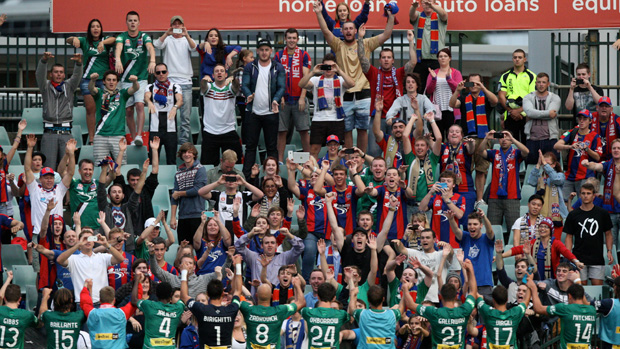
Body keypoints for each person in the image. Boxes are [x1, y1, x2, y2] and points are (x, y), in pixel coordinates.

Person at [314, 0, 395, 153]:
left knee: (363, 129)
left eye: (352, 28)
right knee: (347, 130)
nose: (349, 31)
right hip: (345, 95)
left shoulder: (366, 43)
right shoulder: (338, 45)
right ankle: (350, 158)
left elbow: (386, 34)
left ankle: (361, 159)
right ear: (342, 31)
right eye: (346, 29)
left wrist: (390, 17)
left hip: (364, 94)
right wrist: (319, 13)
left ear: (356, 30)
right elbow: (325, 31)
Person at [360, 28, 416, 156]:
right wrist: (360, 39)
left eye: (389, 57)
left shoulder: (399, 73)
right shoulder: (374, 73)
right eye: (383, 57)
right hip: (377, 118)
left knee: (397, 152)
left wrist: (411, 41)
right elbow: (362, 60)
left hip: (396, 118)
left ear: (393, 60)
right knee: (374, 152)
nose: (386, 60)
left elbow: (413, 62)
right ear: (380, 60)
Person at [449, 74, 498, 206]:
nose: (474, 86)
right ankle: (467, 195)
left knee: (481, 170)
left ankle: (479, 199)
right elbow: (452, 104)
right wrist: (458, 90)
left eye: (477, 83)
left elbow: (495, 101)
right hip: (467, 138)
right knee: (466, 168)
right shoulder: (465, 99)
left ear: (481, 84)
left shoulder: (486, 98)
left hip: (483, 137)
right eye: (471, 83)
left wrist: (484, 88)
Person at [406, 260, 477, 349]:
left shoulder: (434, 312)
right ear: (456, 296)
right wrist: (470, 270)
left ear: (441, 297)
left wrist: (405, 288)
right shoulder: (464, 310)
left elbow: (410, 304)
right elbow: (473, 292)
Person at [66, 19, 116, 143]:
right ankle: (92, 138)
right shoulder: (85, 41)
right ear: (89, 29)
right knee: (90, 108)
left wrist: (103, 43)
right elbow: (68, 40)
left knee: (105, 108)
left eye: (98, 26)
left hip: (104, 81)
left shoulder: (106, 40)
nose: (95, 29)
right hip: (87, 79)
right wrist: (74, 39)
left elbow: (115, 39)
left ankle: (104, 135)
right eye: (93, 26)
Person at [241, 38, 285, 178]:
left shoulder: (278, 67)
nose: (264, 52)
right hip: (253, 112)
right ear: (257, 51)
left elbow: (281, 87)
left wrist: (276, 100)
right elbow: (245, 85)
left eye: (267, 50)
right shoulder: (250, 67)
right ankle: (247, 177)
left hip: (271, 112)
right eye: (262, 50)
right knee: (250, 146)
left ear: (271, 51)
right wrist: (248, 95)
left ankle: (272, 177)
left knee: (271, 147)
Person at [298, 54, 355, 158]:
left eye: (332, 66)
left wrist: (339, 70)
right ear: (322, 67)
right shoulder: (316, 79)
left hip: (336, 120)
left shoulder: (341, 80)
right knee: (314, 149)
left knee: (337, 150)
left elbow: (352, 84)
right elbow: (301, 84)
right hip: (319, 119)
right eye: (326, 66)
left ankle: (337, 172)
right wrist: (312, 72)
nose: (329, 69)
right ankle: (314, 172)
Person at [181, 254, 242, 349]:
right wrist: (238, 266)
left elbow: (184, 296)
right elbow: (238, 291)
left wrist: (184, 272)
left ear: (207, 294)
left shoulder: (201, 309)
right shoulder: (231, 310)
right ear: (223, 293)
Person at [114, 10, 156, 146]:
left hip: (141, 78)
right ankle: (132, 138)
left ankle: (139, 135)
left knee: (139, 104)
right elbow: (119, 47)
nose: (132, 23)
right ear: (126, 22)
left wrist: (152, 61)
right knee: (128, 110)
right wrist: (118, 60)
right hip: (125, 80)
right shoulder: (122, 36)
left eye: (135, 20)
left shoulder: (144, 36)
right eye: (130, 20)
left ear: (139, 22)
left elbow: (150, 47)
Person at [153, 15, 196, 145]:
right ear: (171, 25)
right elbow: (157, 45)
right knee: (168, 115)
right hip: (170, 82)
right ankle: (169, 141)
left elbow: (194, 48)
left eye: (179, 24)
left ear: (183, 25)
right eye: (174, 24)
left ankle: (183, 143)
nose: (177, 26)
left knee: (185, 117)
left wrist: (186, 35)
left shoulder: (186, 39)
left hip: (186, 82)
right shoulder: (168, 39)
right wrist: (167, 33)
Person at [36, 51, 82, 168]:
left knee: (66, 168)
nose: (58, 74)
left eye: (61, 72)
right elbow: (39, 75)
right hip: (49, 133)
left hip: (66, 133)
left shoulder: (69, 86)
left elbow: (77, 76)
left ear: (64, 75)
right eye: (56, 72)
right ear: (51, 74)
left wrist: (78, 64)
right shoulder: (45, 86)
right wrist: (44, 60)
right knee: (48, 167)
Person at [480, 130, 529, 241]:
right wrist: (486, 138)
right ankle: (492, 252)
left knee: (514, 229)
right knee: (491, 228)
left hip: (512, 196)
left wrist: (513, 139)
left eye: (507, 138)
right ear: (498, 140)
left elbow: (526, 151)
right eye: (502, 137)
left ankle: (514, 252)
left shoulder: (516, 153)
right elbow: (480, 152)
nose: (504, 140)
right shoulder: (494, 153)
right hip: (494, 197)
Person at [564, 182, 614, 285]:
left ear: (593, 195)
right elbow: (569, 236)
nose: (585, 196)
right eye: (583, 193)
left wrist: (609, 250)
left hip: (597, 257)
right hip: (578, 257)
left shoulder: (602, 213)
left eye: (588, 193)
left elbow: (608, 233)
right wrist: (569, 255)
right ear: (580, 195)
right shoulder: (573, 214)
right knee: (580, 289)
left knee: (597, 288)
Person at [56, 228, 125, 304]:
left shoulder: (102, 257)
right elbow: (59, 260)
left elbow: (121, 259)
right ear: (80, 241)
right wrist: (78, 244)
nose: (88, 241)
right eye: (85, 239)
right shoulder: (73, 259)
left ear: (94, 242)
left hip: (102, 301)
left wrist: (106, 244)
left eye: (90, 238)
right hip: (82, 302)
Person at [24, 135, 75, 236]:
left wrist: (71, 154)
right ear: (40, 179)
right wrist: (30, 148)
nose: (49, 180)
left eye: (51, 177)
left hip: (57, 234)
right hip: (38, 234)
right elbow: (27, 169)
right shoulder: (34, 189)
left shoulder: (59, 189)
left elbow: (70, 173)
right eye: (46, 178)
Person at [274, 28, 312, 160]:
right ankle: (280, 162)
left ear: (297, 39)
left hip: (298, 99)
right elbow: (276, 78)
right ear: (285, 38)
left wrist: (302, 97)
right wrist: (280, 96)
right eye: (289, 38)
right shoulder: (278, 56)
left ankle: (307, 161)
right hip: (283, 100)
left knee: (303, 131)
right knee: (282, 132)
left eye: (294, 38)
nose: (291, 40)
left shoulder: (304, 55)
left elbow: (306, 78)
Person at [505, 217, 583, 280]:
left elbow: (566, 252)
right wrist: (500, 255)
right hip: (534, 276)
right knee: (525, 283)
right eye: (541, 226)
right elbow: (516, 249)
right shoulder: (533, 242)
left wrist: (576, 262)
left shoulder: (556, 243)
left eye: (546, 227)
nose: (543, 229)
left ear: (550, 230)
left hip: (551, 278)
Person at [527, 280, 597, 349]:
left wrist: (533, 288)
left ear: (569, 296)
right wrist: (577, 281)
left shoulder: (565, 308)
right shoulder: (592, 310)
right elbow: (585, 301)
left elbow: (538, 309)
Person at [240, 276, 306, 349]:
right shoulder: (279, 311)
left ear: (256, 295)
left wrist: (236, 273)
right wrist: (297, 286)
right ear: (272, 296)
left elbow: (236, 296)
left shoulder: (248, 309)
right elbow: (301, 302)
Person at [89, 70, 139, 163]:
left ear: (117, 82)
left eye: (114, 80)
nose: (111, 82)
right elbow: (91, 89)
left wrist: (135, 81)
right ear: (104, 81)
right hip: (101, 135)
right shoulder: (100, 93)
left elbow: (135, 88)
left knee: (121, 164)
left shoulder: (122, 94)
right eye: (108, 80)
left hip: (118, 136)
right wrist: (92, 80)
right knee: (100, 165)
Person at [582, 139, 620, 263]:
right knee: (609, 246)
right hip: (609, 211)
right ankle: (613, 273)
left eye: (619, 148)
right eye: (614, 148)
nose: (616, 150)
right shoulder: (608, 163)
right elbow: (597, 166)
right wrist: (588, 164)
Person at [554, 109, 602, 202]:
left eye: (585, 118)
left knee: (584, 203)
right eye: (580, 118)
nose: (582, 121)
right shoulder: (572, 132)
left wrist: (587, 149)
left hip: (586, 176)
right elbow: (556, 145)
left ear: (590, 121)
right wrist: (570, 146)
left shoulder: (595, 136)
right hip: (569, 176)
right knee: (563, 203)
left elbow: (598, 157)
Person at [235, 228, 304, 292]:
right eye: (266, 243)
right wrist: (250, 234)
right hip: (258, 298)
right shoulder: (253, 257)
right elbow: (238, 246)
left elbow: (300, 247)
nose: (270, 245)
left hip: (278, 298)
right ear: (262, 246)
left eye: (272, 243)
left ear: (277, 245)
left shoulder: (284, 257)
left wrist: (289, 235)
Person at [97, 159, 145, 251]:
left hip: (127, 248)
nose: (117, 194)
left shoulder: (127, 208)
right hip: (109, 246)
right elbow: (101, 189)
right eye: (114, 192)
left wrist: (144, 172)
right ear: (108, 195)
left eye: (119, 192)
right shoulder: (105, 207)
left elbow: (137, 192)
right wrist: (104, 170)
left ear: (123, 196)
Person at [200, 63, 243, 165]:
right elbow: (203, 87)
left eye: (222, 71)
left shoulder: (230, 87)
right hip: (210, 131)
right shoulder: (209, 87)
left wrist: (234, 79)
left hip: (228, 130)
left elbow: (236, 87)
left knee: (234, 164)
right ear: (213, 75)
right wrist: (204, 79)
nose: (219, 72)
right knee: (208, 165)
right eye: (216, 71)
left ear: (226, 74)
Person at [448, 210, 495, 301]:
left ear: (481, 226)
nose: (472, 227)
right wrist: (451, 219)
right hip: (467, 284)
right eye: (469, 224)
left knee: (482, 314)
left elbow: (490, 231)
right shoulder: (466, 237)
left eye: (475, 224)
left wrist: (484, 217)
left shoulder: (487, 238)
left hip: (484, 285)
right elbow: (456, 231)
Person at [80, 278, 137, 349]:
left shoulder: (92, 313)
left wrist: (85, 287)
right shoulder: (122, 313)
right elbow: (135, 301)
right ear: (114, 300)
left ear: (100, 300)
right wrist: (138, 282)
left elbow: (85, 302)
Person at [132, 275, 185, 349]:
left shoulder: (149, 305)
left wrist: (137, 280)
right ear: (170, 296)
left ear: (156, 294)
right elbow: (184, 297)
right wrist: (184, 275)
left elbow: (134, 300)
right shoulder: (177, 308)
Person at [145, 63, 182, 165]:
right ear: (155, 74)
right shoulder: (150, 87)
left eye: (163, 72)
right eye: (158, 72)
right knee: (152, 161)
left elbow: (180, 100)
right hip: (154, 130)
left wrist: (175, 107)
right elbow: (146, 96)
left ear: (167, 73)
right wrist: (149, 102)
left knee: (171, 161)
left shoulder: (175, 86)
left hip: (170, 130)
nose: (161, 74)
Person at [373, 95, 424, 170]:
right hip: (391, 176)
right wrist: (378, 111)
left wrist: (416, 109)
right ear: (392, 131)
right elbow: (376, 132)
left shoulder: (411, 138)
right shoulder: (387, 140)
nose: (398, 129)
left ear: (406, 128)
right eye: (395, 127)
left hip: (409, 176)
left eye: (401, 127)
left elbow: (419, 130)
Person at [149, 244, 218, 298]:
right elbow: (156, 270)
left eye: (190, 263)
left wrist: (228, 260)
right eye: (184, 263)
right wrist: (152, 255)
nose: (187, 265)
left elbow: (222, 274)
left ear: (194, 267)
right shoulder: (172, 279)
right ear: (179, 266)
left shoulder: (202, 279)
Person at [171, 142, 207, 242]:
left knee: (199, 246)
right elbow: (174, 197)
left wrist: (179, 193)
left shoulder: (200, 169)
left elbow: (198, 190)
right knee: (184, 248)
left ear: (194, 154)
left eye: (190, 152)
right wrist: (173, 217)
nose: (187, 154)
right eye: (184, 152)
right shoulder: (178, 173)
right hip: (183, 216)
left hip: (197, 215)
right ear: (181, 155)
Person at [522, 72, 562, 164]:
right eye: (539, 82)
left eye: (544, 82)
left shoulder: (555, 98)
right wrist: (547, 113)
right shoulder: (528, 97)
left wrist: (533, 114)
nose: (541, 85)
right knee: (532, 168)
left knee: (553, 167)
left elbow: (532, 113)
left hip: (550, 139)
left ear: (548, 84)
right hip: (532, 139)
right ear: (535, 83)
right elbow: (529, 112)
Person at [418, 170, 465, 248]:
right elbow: (421, 209)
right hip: (435, 242)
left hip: (453, 242)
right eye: (443, 181)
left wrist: (446, 199)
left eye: (449, 181)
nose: (446, 183)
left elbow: (460, 215)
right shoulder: (435, 197)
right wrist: (430, 192)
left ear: (453, 185)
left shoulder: (460, 198)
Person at [498, 49, 536, 143]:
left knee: (525, 145)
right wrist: (511, 111)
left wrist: (519, 111)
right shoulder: (505, 76)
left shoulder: (531, 76)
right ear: (512, 59)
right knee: (510, 144)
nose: (517, 59)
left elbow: (533, 97)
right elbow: (501, 96)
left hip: (526, 116)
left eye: (520, 57)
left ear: (525, 59)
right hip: (509, 115)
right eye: (515, 57)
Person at [477, 284, 531, 349]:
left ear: (493, 300)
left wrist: (470, 275)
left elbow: (474, 293)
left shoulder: (488, 312)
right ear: (507, 300)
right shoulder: (515, 312)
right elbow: (526, 301)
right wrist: (530, 284)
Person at [527, 151, 567, 236]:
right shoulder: (540, 176)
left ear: (554, 164)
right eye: (543, 164)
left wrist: (545, 164)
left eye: (548, 164)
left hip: (555, 216)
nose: (545, 166)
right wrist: (538, 165)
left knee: (554, 244)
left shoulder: (560, 175)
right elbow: (531, 181)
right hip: (540, 216)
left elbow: (556, 179)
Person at [425, 48, 463, 137]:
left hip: (452, 109)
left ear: (450, 58)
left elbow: (458, 88)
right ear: (438, 59)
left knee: (452, 136)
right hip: (437, 109)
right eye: (440, 56)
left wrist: (449, 78)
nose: (443, 58)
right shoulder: (433, 73)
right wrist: (434, 79)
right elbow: (429, 90)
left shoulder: (456, 72)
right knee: (437, 136)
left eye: (445, 56)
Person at [409, 0, 449, 86]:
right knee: (418, 88)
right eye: (424, 2)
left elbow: (444, 14)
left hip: (437, 60)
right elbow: (412, 15)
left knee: (437, 87)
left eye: (429, 1)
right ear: (421, 4)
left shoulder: (439, 17)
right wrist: (414, 7)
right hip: (420, 60)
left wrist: (432, 6)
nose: (427, 4)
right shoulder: (419, 16)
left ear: (434, 3)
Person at [193, 211, 232, 275]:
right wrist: (203, 223)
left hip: (220, 276)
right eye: (210, 225)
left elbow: (228, 240)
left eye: (215, 225)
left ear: (219, 228)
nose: (212, 227)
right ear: (206, 228)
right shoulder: (202, 241)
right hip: (203, 276)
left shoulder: (222, 241)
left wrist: (218, 221)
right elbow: (196, 242)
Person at [0, 284, 38, 349]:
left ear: (5, 298)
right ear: (20, 299)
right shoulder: (25, 315)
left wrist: (9, 279)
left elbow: (0, 296)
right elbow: (39, 323)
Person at [592, 275, 620, 349]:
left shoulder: (609, 303)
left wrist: (577, 281)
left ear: (615, 288)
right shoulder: (609, 303)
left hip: (610, 345)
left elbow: (585, 303)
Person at [590, 96, 619, 161]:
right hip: (593, 156)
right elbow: (578, 129)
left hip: (613, 158)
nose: (604, 108)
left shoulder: (617, 119)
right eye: (601, 106)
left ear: (611, 109)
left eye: (606, 106)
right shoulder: (590, 118)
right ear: (597, 108)